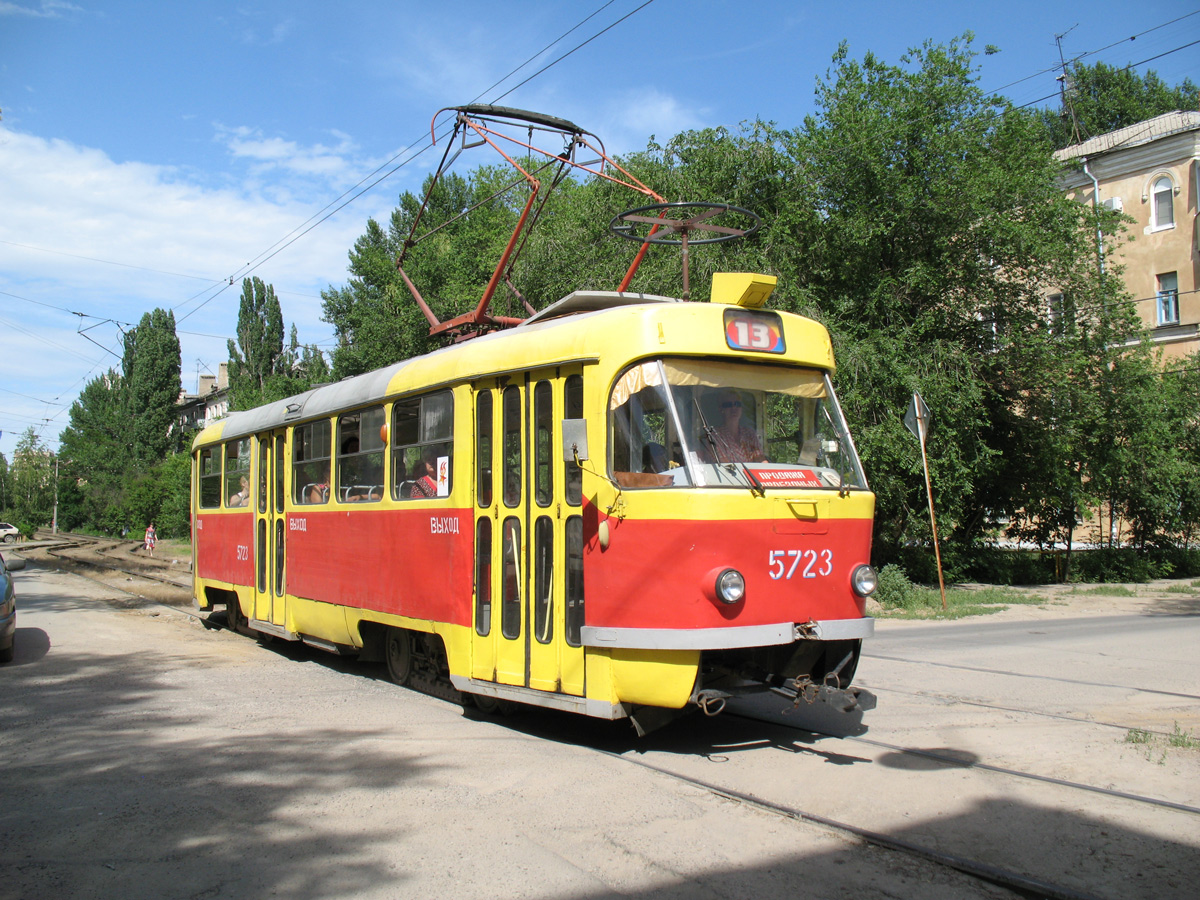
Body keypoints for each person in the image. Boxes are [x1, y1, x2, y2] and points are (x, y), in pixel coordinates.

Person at [702, 389, 767, 463]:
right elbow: (726, 466)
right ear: (721, 409)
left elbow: (761, 459)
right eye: (728, 405)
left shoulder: (750, 433)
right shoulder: (714, 435)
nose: (734, 408)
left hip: (750, 474)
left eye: (737, 404)